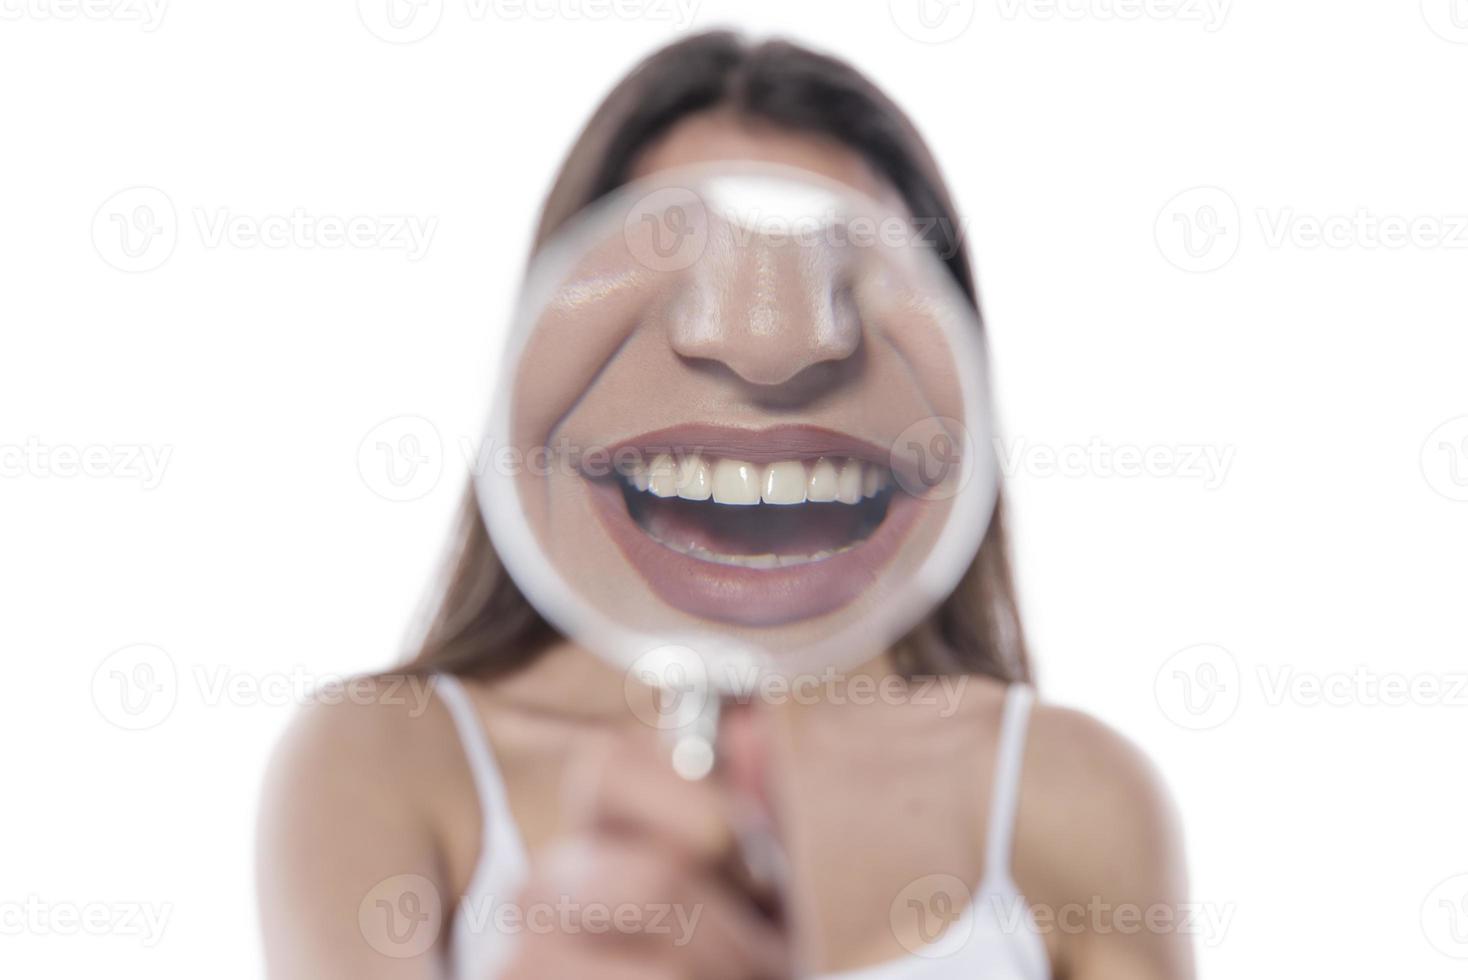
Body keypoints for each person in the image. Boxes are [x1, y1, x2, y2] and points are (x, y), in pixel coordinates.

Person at [257, 31, 1192, 980]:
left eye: (859, 255)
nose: (770, 341)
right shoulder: (385, 756)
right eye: (666, 239)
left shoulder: (1074, 791)